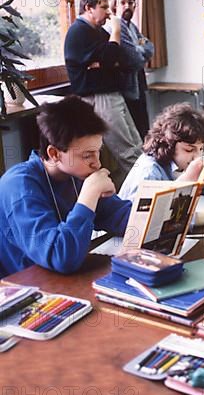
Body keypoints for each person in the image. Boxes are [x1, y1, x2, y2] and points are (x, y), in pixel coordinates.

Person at [0, 97, 132, 278]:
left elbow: (120, 216)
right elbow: (61, 257)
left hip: (63, 280)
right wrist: (89, 195)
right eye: (87, 156)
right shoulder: (19, 187)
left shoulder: (76, 174)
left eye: (98, 152)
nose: (97, 163)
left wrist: (169, 217)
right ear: (54, 153)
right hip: (25, 289)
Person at [119, 103, 204, 226]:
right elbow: (141, 219)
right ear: (168, 144)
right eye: (189, 149)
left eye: (202, 148)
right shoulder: (149, 170)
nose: (197, 157)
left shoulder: (188, 161)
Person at [64, 0, 142, 187]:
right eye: (105, 7)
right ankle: (146, 193)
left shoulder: (98, 32)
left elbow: (123, 59)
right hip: (99, 98)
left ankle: (146, 189)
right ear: (89, 8)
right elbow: (110, 57)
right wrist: (116, 33)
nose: (109, 13)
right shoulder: (79, 32)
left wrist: (105, 61)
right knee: (127, 153)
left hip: (112, 95)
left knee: (136, 148)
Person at [108, 0, 154, 137]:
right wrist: (139, 49)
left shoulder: (132, 27)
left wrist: (137, 48)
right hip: (126, 88)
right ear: (114, 6)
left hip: (138, 84)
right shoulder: (117, 26)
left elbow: (150, 48)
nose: (127, 6)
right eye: (122, 3)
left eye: (130, 2)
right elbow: (133, 60)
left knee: (144, 129)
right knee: (135, 133)